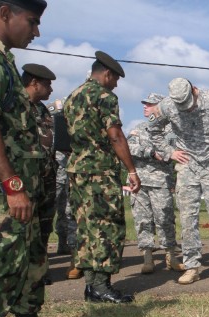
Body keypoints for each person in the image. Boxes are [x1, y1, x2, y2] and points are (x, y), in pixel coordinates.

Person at [0, 0, 65, 317]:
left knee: (28, 266)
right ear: (5, 13)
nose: (36, 32)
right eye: (32, 22)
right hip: (7, 190)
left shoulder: (5, 60)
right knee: (1, 265)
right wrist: (12, 184)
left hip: (28, 190)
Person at [148, 78, 209, 284]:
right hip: (187, 167)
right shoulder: (167, 105)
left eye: (188, 102)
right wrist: (169, 152)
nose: (186, 109)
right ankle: (192, 266)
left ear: (195, 90)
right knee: (187, 218)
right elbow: (154, 131)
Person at [63, 51, 140, 303]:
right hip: (100, 171)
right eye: (115, 79)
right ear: (107, 74)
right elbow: (115, 135)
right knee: (107, 226)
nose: (116, 84)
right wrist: (131, 169)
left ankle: (91, 285)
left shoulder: (72, 96)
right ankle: (101, 286)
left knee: (86, 226)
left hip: (77, 170)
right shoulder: (104, 96)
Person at [127, 93, 184, 274]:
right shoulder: (139, 128)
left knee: (165, 219)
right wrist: (151, 152)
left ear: (160, 107)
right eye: (144, 103)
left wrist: (163, 153)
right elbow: (129, 147)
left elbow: (174, 152)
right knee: (142, 220)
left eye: (150, 104)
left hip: (161, 182)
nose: (145, 106)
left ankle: (171, 257)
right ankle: (148, 258)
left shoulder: (172, 131)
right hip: (140, 182)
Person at [22, 63, 55, 287]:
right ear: (34, 82)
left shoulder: (43, 111)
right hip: (23, 181)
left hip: (46, 179)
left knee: (44, 227)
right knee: (22, 229)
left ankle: (39, 271)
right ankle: (20, 274)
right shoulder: (14, 106)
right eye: (47, 84)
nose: (51, 89)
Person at [49, 98, 81, 279]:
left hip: (67, 172)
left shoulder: (68, 129)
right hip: (53, 174)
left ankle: (66, 245)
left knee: (68, 211)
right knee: (52, 209)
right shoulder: (45, 131)